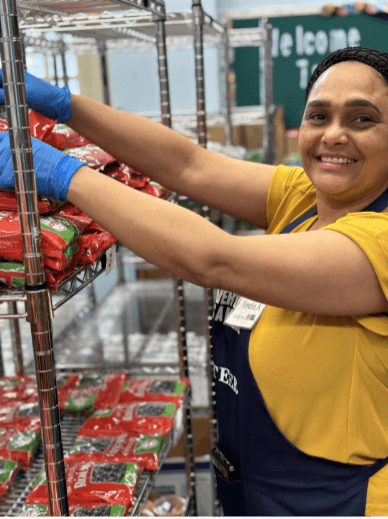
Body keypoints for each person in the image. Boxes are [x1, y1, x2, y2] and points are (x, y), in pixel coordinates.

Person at [1, 45, 388, 517]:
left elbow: (212, 259)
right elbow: (188, 165)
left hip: (337, 502)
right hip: (257, 487)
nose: (335, 135)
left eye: (363, 119)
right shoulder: (308, 198)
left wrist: (63, 174)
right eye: (319, 115)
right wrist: (64, 104)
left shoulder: (380, 241)